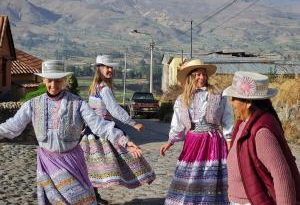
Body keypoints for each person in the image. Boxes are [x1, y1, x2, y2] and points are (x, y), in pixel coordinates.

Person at [0, 60, 142, 205]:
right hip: (47, 163)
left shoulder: (78, 104)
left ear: (65, 81)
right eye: (49, 80)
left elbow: (100, 126)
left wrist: (123, 139)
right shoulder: (33, 104)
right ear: (44, 80)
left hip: (72, 163)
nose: (53, 85)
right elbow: (13, 125)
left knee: (80, 200)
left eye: (58, 81)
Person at [80, 55, 155, 200]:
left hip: (93, 131)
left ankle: (93, 195)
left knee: (93, 165)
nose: (109, 70)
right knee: (121, 157)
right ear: (99, 69)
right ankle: (94, 195)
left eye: (111, 67)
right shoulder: (104, 89)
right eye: (106, 67)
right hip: (102, 132)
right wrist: (132, 123)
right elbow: (114, 110)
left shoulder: (94, 87)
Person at [160, 59, 233, 205]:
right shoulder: (182, 99)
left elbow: (227, 119)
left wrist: (229, 141)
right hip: (193, 141)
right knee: (190, 176)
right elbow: (178, 124)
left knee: (210, 175)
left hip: (213, 142)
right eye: (198, 75)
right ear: (190, 77)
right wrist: (170, 142)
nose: (202, 77)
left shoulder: (218, 95)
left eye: (204, 74)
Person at [223, 71, 300, 205]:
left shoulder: (261, 133)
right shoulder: (243, 124)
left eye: (234, 98)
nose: (231, 102)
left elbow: (282, 177)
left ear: (247, 102)